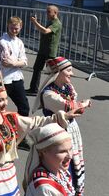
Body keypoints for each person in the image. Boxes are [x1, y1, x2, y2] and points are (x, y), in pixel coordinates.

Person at [0, 72, 85, 196]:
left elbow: (35, 122)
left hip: (9, 175)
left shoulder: (10, 118)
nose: (5, 103)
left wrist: (63, 116)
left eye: (6, 99)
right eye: (0, 100)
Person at [32, 57, 90, 195]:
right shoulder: (48, 94)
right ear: (58, 72)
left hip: (70, 129)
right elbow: (72, 107)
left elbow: (74, 107)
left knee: (73, 158)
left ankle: (74, 189)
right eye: (69, 70)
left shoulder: (67, 87)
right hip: (56, 133)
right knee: (62, 162)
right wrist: (84, 104)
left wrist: (79, 105)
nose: (72, 73)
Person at [0, 16, 29, 117]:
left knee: (24, 107)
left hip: (17, 78)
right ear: (8, 26)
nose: (14, 30)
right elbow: (5, 62)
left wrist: (15, 63)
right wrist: (17, 63)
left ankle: (20, 130)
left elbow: (24, 61)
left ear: (21, 27)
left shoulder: (19, 42)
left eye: (16, 28)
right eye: (11, 28)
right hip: (3, 79)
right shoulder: (3, 42)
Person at [23, 123, 75, 195]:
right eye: (62, 151)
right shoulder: (43, 187)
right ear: (44, 151)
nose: (70, 156)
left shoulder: (61, 171)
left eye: (70, 149)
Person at [27, 5, 62, 94]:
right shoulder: (50, 22)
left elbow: (46, 31)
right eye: (47, 11)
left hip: (50, 52)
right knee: (37, 68)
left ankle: (55, 90)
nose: (47, 13)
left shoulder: (56, 23)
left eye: (48, 12)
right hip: (43, 49)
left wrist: (35, 22)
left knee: (52, 72)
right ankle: (33, 89)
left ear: (55, 13)